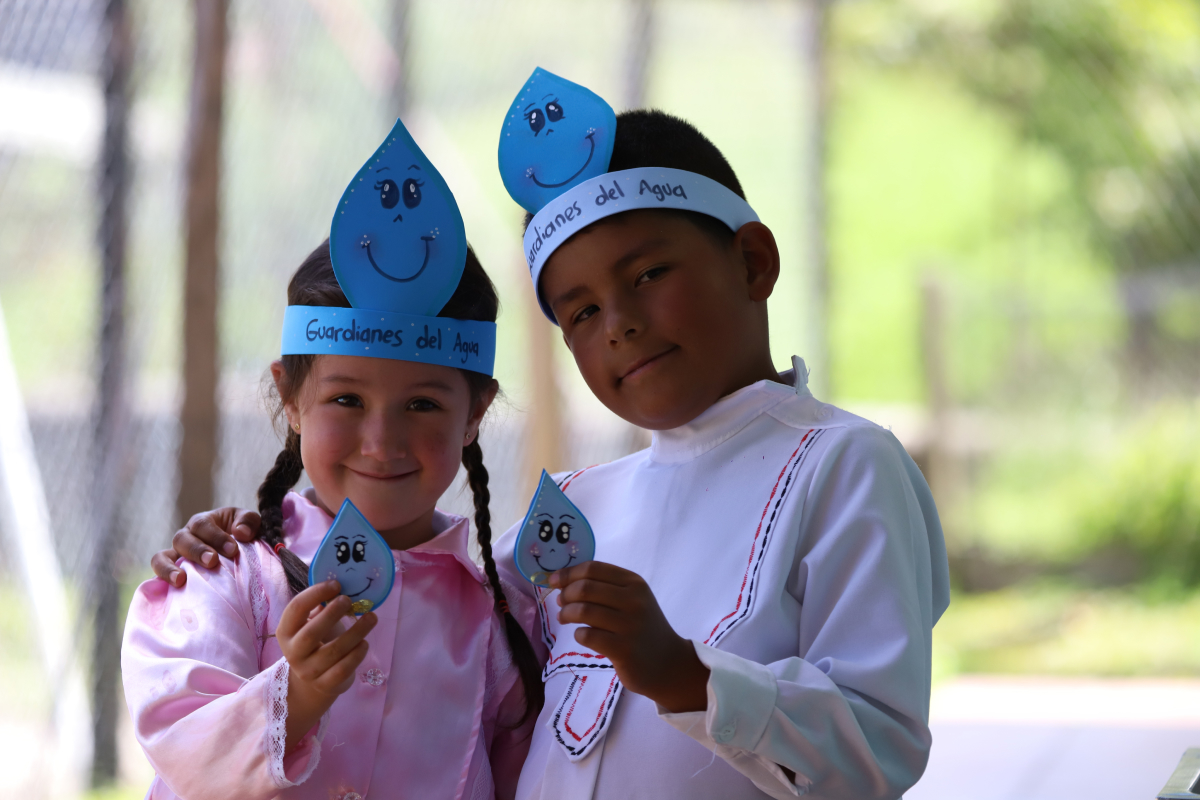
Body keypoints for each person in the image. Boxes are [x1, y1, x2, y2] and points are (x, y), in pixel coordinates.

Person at [155, 74, 949, 800]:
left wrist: (687, 677)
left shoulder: (844, 466)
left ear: (752, 260)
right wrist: (241, 537)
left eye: (646, 276)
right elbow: (424, 579)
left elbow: (876, 749)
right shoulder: (575, 507)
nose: (620, 325)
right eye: (581, 312)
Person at [123, 120, 542, 800]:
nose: (382, 441)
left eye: (424, 405)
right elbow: (179, 741)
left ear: (477, 413)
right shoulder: (224, 578)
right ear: (290, 398)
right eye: (347, 399)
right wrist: (295, 700)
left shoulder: (504, 615)